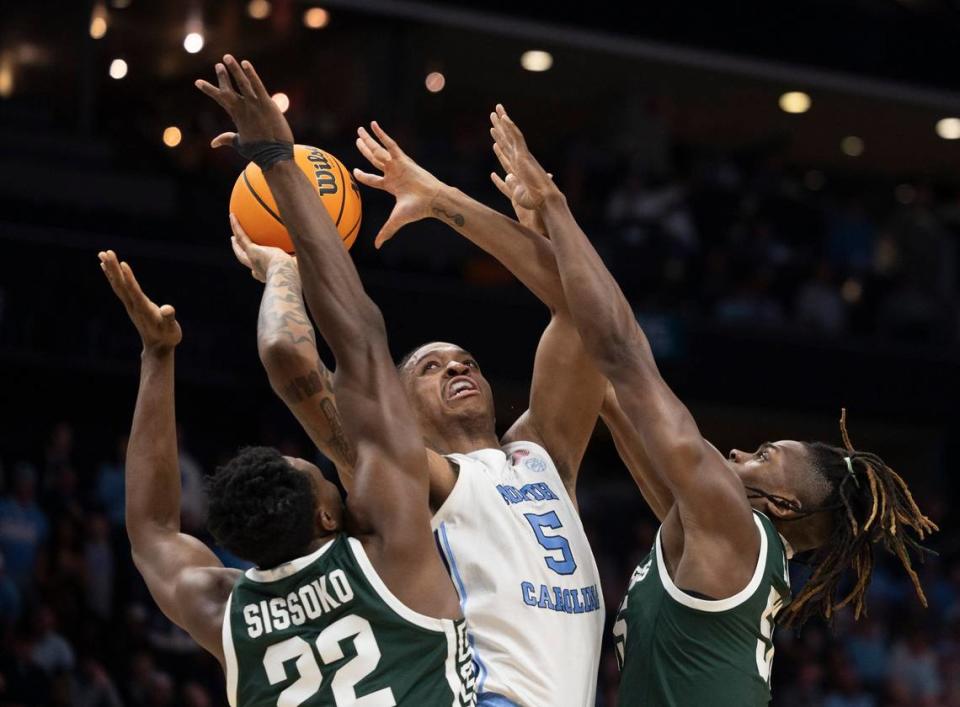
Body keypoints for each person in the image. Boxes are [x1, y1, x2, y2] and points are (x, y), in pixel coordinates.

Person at [487, 104, 937, 705]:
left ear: (780, 503)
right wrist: (546, 238)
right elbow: (609, 392)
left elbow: (622, 350)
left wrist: (558, 206)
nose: (738, 451)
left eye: (763, 455)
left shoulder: (734, 528)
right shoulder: (719, 534)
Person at [98, 55, 477, 704]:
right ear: (330, 514)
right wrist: (277, 173)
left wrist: (157, 357)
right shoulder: (389, 548)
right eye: (312, 468)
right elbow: (349, 341)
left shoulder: (228, 609)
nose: (318, 460)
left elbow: (153, 531)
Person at [226, 78, 607, 707]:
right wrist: (285, 271)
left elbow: (582, 311)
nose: (456, 367)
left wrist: (442, 199)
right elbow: (290, 357)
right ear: (398, 408)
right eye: (430, 367)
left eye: (465, 360)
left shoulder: (545, 453)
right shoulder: (410, 477)